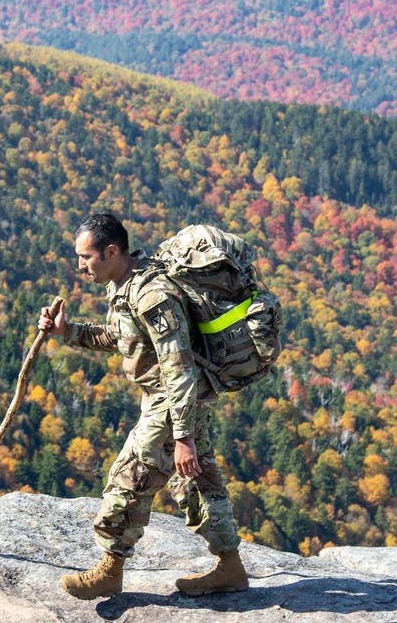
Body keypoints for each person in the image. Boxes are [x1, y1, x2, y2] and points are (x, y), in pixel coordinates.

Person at [38, 212, 247, 600]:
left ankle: (109, 570)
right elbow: (120, 339)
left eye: (86, 257)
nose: (80, 266)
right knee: (196, 481)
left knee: (128, 479)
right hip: (179, 402)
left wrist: (182, 435)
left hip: (172, 404)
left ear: (111, 250)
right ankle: (230, 567)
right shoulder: (126, 285)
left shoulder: (153, 295)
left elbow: (179, 366)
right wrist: (68, 331)